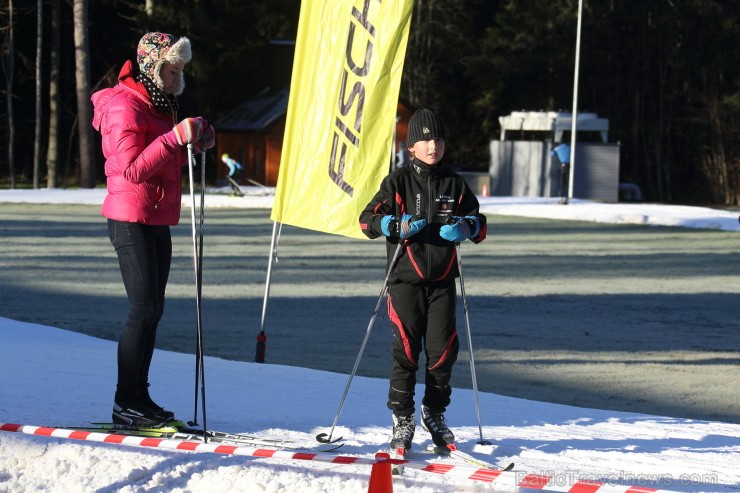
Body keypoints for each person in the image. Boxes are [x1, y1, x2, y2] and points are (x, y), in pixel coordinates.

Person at [91, 32, 215, 428]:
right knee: (142, 310)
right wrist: (175, 137)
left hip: (155, 216)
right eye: (170, 68)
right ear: (150, 67)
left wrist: (191, 144)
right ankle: (124, 400)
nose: (177, 76)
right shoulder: (124, 107)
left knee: (153, 311)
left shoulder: (158, 104)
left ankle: (138, 397)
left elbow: (159, 161)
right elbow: (131, 169)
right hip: (130, 219)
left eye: (180, 69)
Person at [358, 109, 487, 455]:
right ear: (412, 145)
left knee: (443, 351)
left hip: (443, 282)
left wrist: (467, 227)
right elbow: (366, 219)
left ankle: (435, 413)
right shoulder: (397, 182)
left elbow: (480, 223)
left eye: (439, 139)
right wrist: (392, 226)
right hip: (404, 282)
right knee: (406, 351)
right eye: (426, 140)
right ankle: (402, 419)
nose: (434, 146)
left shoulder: (455, 184)